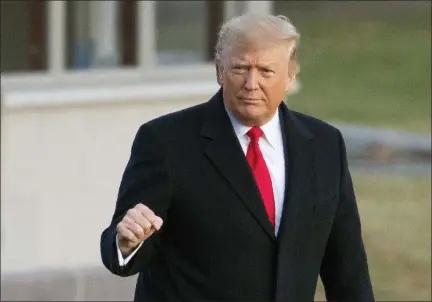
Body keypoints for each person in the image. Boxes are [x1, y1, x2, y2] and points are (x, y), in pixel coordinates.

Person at [100, 13, 375, 301]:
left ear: (291, 76)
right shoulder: (165, 141)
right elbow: (120, 248)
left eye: (266, 71)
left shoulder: (324, 145)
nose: (251, 83)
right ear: (220, 70)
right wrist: (126, 242)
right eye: (240, 68)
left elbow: (348, 270)